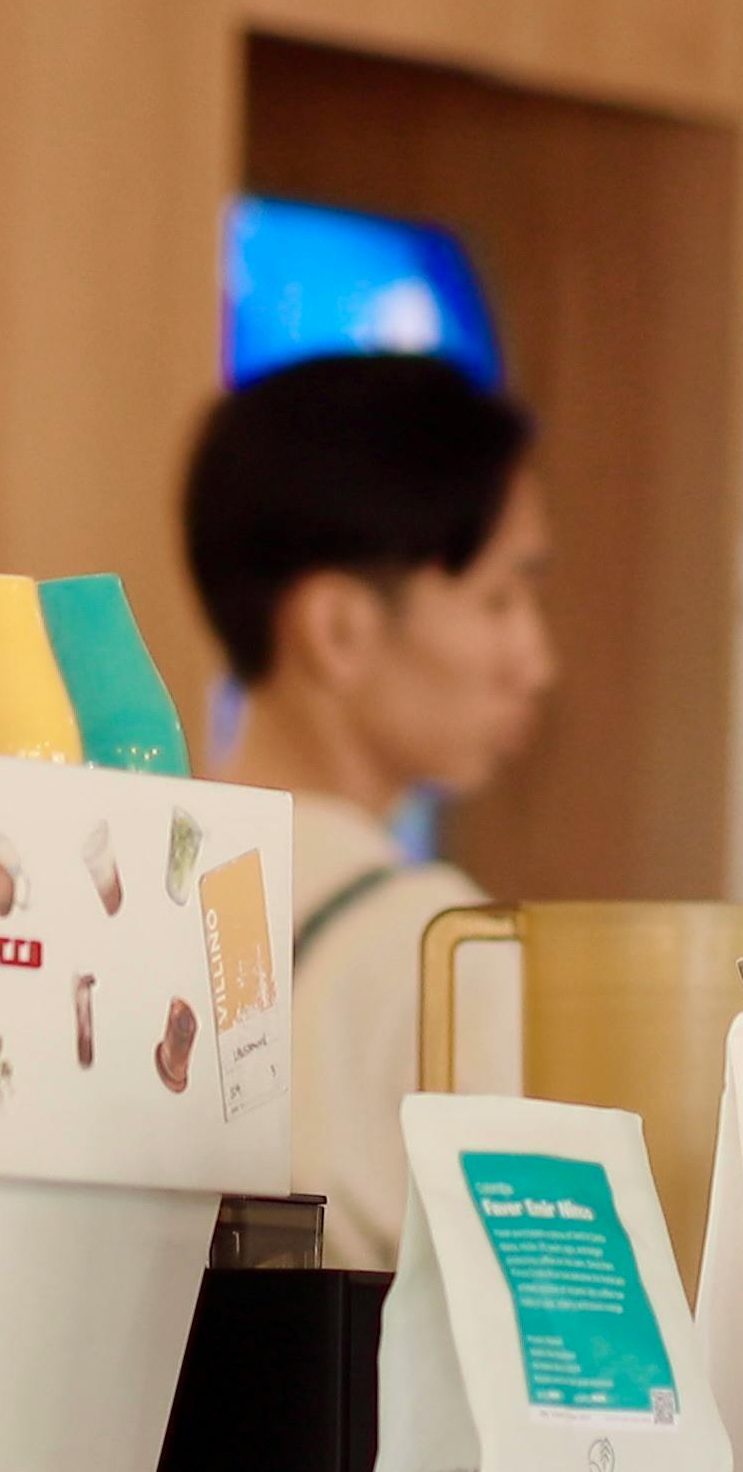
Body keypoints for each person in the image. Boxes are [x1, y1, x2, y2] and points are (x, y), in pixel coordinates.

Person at [184, 350, 557, 1270]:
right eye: (497, 598)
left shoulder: (124, 890)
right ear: (337, 629)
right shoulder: (444, 949)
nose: (534, 660)